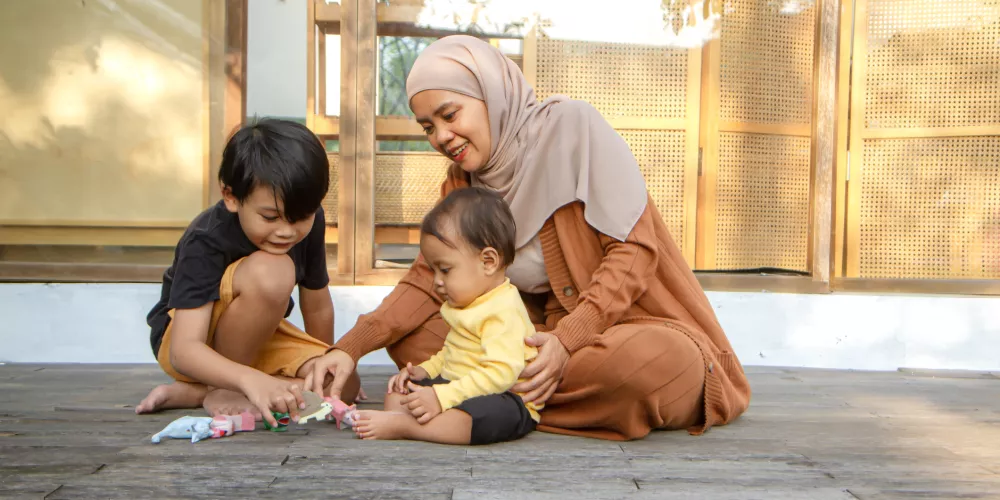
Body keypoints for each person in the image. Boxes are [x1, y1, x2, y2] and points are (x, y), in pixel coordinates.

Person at [307, 35, 750, 440]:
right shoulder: (464, 184)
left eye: (450, 115)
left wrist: (566, 342)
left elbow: (634, 254)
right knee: (412, 342)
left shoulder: (576, 130)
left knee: (652, 364)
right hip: (527, 340)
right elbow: (427, 280)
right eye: (428, 127)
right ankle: (504, 400)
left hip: (623, 328)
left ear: (491, 94)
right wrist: (350, 349)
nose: (441, 136)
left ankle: (494, 405)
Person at [136, 118, 359, 427]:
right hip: (190, 343)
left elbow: (317, 302)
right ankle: (225, 387)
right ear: (230, 196)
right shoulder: (206, 238)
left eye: (302, 217)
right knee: (273, 270)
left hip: (262, 337)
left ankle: (199, 392)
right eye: (270, 217)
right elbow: (184, 351)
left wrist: (324, 359)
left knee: (340, 383)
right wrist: (248, 380)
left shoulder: (309, 221)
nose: (287, 231)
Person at [353, 187, 541, 444]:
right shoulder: (467, 302)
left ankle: (409, 427)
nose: (437, 282)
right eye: (434, 271)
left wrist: (442, 397)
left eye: (445, 270)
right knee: (397, 395)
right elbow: (451, 353)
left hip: (505, 395)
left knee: (476, 417)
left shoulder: (503, 309)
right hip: (460, 386)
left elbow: (500, 375)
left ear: (488, 262)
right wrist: (424, 370)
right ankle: (416, 419)